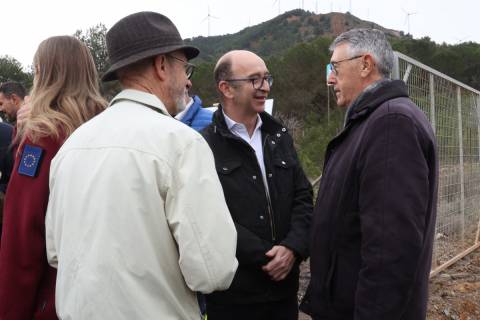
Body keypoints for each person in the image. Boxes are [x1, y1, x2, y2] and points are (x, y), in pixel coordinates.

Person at [45, 12, 238, 320]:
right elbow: (213, 271)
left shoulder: (71, 147)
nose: (187, 79)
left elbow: (55, 254)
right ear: (162, 66)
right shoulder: (181, 143)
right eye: (183, 67)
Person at [308, 28, 438, 320]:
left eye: (335, 68)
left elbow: (390, 249)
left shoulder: (392, 123)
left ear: (365, 64)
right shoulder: (372, 121)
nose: (330, 79)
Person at [0, 36, 107, 320]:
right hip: (111, 291)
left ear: (43, 74)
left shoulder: (42, 136)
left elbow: (23, 231)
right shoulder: (110, 126)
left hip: (57, 294)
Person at [201, 50, 313, 320]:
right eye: (254, 80)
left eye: (266, 78)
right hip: (234, 299)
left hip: (283, 295)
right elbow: (209, 216)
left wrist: (293, 248)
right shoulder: (203, 145)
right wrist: (267, 258)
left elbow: (302, 196)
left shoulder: (279, 137)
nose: (264, 87)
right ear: (226, 88)